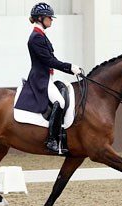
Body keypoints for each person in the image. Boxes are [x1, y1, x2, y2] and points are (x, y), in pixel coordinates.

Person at [14, 2, 82, 153]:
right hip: (40, 79)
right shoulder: (36, 38)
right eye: (49, 18)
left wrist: (69, 69)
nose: (51, 20)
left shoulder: (41, 36)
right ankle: (51, 140)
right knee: (60, 102)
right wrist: (70, 67)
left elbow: (51, 60)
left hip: (46, 77)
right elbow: (49, 61)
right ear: (40, 18)